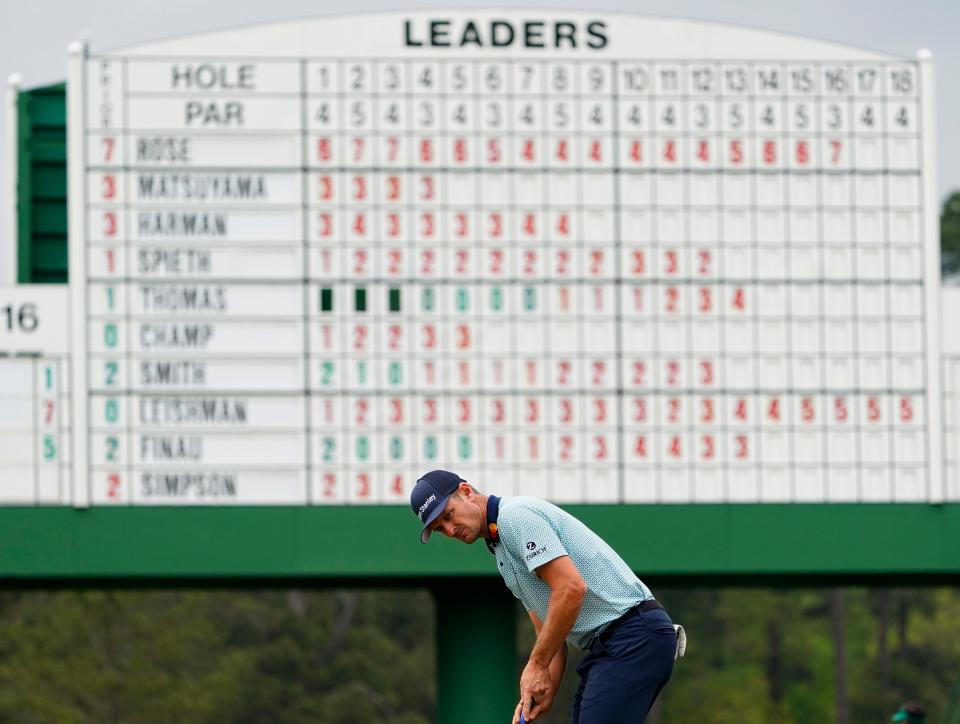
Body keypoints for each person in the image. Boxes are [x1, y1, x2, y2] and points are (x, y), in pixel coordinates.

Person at [410, 469, 682, 723]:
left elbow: (571, 589)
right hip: (614, 645)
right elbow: (549, 633)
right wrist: (538, 693)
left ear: (467, 492)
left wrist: (537, 665)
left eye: (448, 515)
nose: (450, 529)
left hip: (634, 635)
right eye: (439, 529)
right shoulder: (501, 551)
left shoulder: (514, 517)